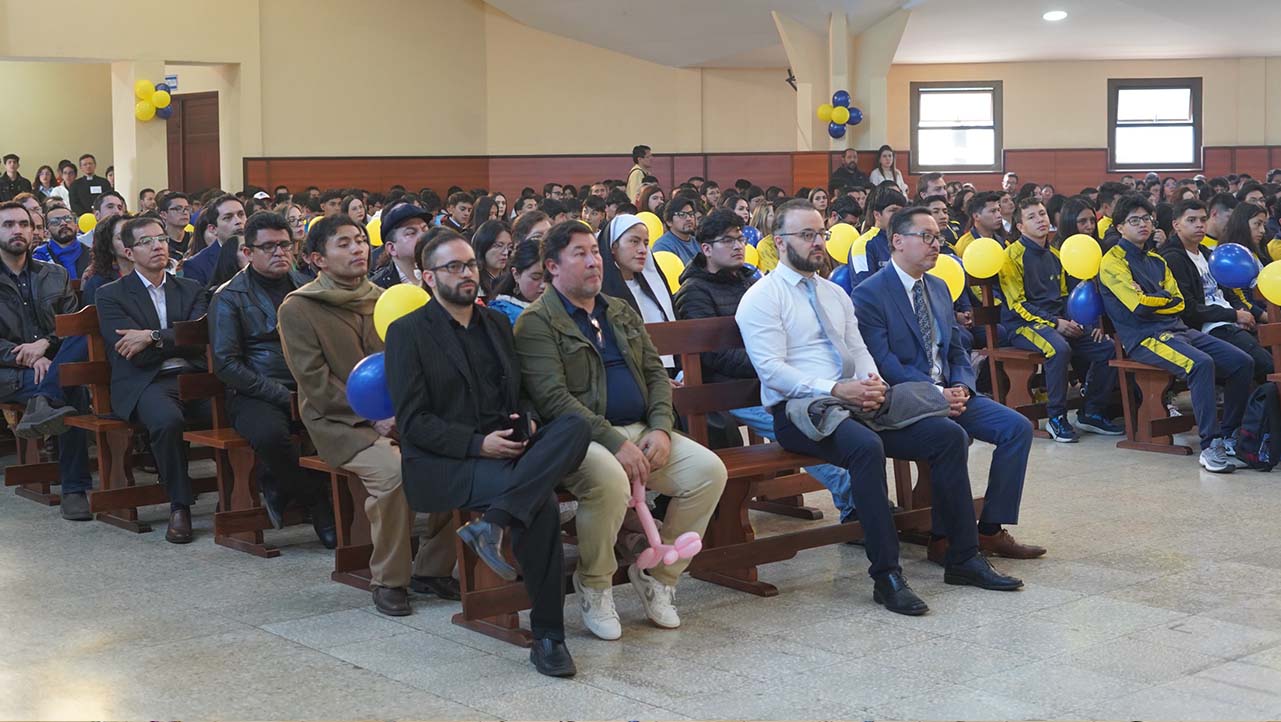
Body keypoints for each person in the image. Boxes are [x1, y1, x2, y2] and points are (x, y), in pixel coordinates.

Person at [737, 199, 1024, 616]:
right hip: (803, 409)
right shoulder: (763, 297)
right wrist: (837, 388)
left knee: (948, 436)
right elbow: (772, 370)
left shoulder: (835, 293)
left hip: (857, 399)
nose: (818, 242)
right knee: (865, 447)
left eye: (822, 234)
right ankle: (886, 574)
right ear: (779, 242)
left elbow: (858, 348)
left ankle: (962, 557)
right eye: (807, 235)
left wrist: (872, 384)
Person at [385, 231, 589, 677]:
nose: (466, 274)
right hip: (448, 462)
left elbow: (521, 393)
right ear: (427, 277)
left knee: (575, 424)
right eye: (453, 268)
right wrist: (479, 444)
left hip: (510, 449)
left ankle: (495, 523)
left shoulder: (495, 324)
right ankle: (550, 637)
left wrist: (529, 421)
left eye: (470, 265)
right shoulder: (408, 334)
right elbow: (414, 422)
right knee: (542, 508)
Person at [514, 221, 727, 640]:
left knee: (708, 471)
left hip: (642, 428)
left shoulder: (619, 310)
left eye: (595, 251)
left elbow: (654, 374)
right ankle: (594, 585)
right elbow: (553, 399)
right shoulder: (536, 323)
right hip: (578, 439)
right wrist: (614, 442)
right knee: (610, 479)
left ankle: (660, 576)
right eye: (580, 254)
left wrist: (663, 428)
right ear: (553, 268)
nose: (594, 261)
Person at [278, 215, 457, 616]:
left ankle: (433, 567)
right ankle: (390, 579)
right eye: (344, 243)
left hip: (399, 416)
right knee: (395, 475)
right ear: (317, 259)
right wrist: (371, 417)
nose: (358, 248)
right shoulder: (300, 308)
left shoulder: (386, 297)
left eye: (360, 240)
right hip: (338, 422)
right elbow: (314, 382)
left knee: (454, 458)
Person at [851, 204, 1045, 565]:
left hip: (952, 392)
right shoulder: (869, 294)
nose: (935, 244)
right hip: (907, 399)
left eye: (937, 237)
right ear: (897, 241)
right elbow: (883, 363)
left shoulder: (939, 287)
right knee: (946, 433)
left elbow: (958, 348)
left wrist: (962, 387)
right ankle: (942, 537)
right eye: (925, 237)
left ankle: (989, 528)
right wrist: (936, 394)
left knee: (1016, 428)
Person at [674, 209, 857, 520]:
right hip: (725, 389)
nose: (738, 246)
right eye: (728, 240)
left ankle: (858, 497)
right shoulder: (694, 291)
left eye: (740, 238)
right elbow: (713, 357)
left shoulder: (748, 279)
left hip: (765, 379)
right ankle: (854, 505)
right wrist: (771, 363)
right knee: (812, 428)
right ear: (706, 249)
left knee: (836, 419)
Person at [1098, 195, 1253, 473]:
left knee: (1243, 362)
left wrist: (1157, 299)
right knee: (1201, 364)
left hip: (1176, 329)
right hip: (1144, 339)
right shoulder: (1112, 262)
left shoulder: (1156, 260)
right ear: (1120, 227)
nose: (1143, 225)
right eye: (1134, 220)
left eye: (1146, 219)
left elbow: (1180, 301)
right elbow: (1138, 306)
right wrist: (1161, 299)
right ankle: (1210, 445)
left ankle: (1229, 434)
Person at [209, 211, 336, 548]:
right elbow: (226, 363)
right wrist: (280, 395)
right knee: (270, 435)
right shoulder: (229, 296)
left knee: (352, 425)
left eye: (285, 245)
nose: (280, 252)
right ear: (248, 252)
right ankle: (318, 504)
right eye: (269, 247)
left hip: (308, 384)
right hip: (255, 391)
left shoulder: (306, 287)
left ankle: (284, 484)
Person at [95, 217, 212, 543]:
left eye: (161, 239)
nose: (158, 245)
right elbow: (132, 352)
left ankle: (264, 493)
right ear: (129, 252)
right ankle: (180, 505)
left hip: (194, 376)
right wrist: (173, 340)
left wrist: (153, 336)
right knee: (167, 421)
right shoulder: (111, 295)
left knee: (242, 408)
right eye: (147, 242)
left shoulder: (190, 288)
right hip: (146, 382)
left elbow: (200, 338)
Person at [998, 198, 1122, 442]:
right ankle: (1056, 418)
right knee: (1058, 348)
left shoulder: (1056, 254)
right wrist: (1056, 323)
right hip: (1023, 326)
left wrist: (1077, 321)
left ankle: (1092, 411)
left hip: (1059, 322)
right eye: (1032, 216)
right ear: (1021, 227)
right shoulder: (1010, 257)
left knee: (1106, 348)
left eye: (1042, 214)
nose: (1040, 220)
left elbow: (1066, 296)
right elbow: (1018, 304)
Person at [0, 202, 94, 521]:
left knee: (86, 332)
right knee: (73, 389)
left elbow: (70, 327)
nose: (18, 230)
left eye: (24, 224)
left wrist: (46, 347)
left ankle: (48, 396)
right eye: (8, 224)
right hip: (8, 371)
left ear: (33, 230)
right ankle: (75, 488)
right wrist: (25, 357)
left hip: (52, 363)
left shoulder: (55, 274)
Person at [1158, 199, 1272, 384]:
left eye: (1202, 220)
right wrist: (1234, 315)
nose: (1199, 225)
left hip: (1230, 321)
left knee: (1273, 352)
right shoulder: (1172, 259)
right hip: (1208, 328)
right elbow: (1188, 308)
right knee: (1266, 365)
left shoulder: (1207, 254)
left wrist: (1242, 312)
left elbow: (1230, 293)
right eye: (1192, 220)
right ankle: (1252, 412)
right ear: (1176, 224)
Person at [600, 214, 678, 371]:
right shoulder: (601, 295)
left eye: (646, 243)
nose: (643, 250)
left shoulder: (656, 290)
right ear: (613, 246)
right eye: (634, 242)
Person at [848, 188, 908, 287]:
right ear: (877, 215)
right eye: (893, 210)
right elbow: (864, 288)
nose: (898, 216)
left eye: (902, 212)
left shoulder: (907, 241)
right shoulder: (863, 244)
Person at [181, 194, 246, 286]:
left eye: (241, 214)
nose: (238, 221)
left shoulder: (260, 252)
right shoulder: (197, 265)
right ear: (213, 229)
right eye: (228, 217)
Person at [370, 203, 430, 288]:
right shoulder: (378, 288)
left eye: (425, 229)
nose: (423, 236)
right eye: (411, 233)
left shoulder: (442, 273)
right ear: (392, 248)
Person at [487, 239, 544, 325]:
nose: (544, 285)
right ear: (516, 274)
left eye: (549, 278)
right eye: (536, 277)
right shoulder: (501, 312)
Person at [31, 205, 91, 281]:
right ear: (47, 232)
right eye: (55, 222)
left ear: (77, 226)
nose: (63, 223)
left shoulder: (92, 254)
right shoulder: (39, 258)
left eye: (68, 218)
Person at [651, 195, 701, 264]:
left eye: (691, 214)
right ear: (669, 221)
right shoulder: (663, 245)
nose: (689, 218)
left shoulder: (698, 242)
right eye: (682, 214)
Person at [953, 191, 1005, 256]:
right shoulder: (965, 246)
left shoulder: (1003, 242)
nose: (999, 215)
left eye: (998, 210)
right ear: (976, 216)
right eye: (993, 211)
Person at [470, 219, 513, 298]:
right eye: (499, 246)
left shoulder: (512, 278)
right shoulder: (472, 280)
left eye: (509, 247)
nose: (505, 252)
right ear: (484, 245)